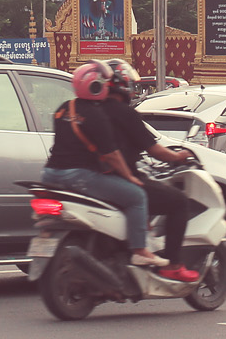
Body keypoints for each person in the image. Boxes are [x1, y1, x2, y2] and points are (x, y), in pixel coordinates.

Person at [40, 58, 201, 280]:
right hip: (88, 176)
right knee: (161, 199)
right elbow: (117, 154)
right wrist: (176, 157)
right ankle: (161, 260)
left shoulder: (65, 109)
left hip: (51, 173)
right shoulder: (108, 114)